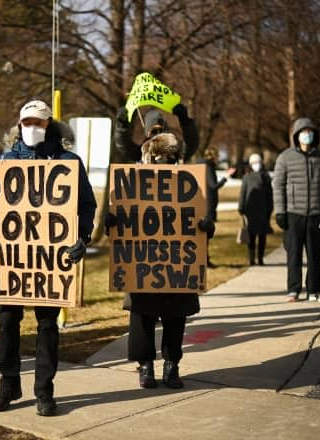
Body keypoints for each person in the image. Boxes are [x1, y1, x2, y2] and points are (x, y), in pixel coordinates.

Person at [0, 99, 96, 416]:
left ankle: (44, 391)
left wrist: (82, 238)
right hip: (10, 259)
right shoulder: (6, 161)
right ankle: (8, 384)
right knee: (7, 322)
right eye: (27, 122)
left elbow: (86, 206)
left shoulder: (69, 163)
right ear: (19, 125)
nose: (32, 128)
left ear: (49, 125)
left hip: (49, 260)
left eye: (38, 122)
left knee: (47, 325)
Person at [108, 103, 215, 389]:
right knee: (142, 318)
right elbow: (122, 145)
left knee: (175, 318)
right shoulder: (135, 176)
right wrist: (113, 221)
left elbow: (199, 214)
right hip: (144, 261)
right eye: (158, 156)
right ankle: (145, 366)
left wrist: (206, 227)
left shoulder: (187, 180)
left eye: (168, 156)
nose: (162, 160)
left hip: (177, 261)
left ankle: (172, 365)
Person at [273, 117, 320, 302]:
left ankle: (314, 291)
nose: (307, 135)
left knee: (314, 255)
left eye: (310, 132)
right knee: (293, 254)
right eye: (303, 132)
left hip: (316, 215)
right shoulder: (285, 158)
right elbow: (277, 186)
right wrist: (280, 211)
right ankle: (293, 290)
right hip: (293, 214)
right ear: (296, 136)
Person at [203, 147, 236, 268]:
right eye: (217, 156)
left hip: (205, 203)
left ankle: (205, 259)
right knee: (207, 233)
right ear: (212, 156)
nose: (218, 159)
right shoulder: (209, 167)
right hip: (208, 204)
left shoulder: (203, 165)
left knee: (205, 233)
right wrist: (226, 177)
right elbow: (213, 185)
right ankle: (205, 260)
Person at [238, 153, 273, 265]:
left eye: (257, 162)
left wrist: (270, 208)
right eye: (253, 163)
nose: (256, 165)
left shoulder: (266, 176)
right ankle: (252, 258)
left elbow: (269, 194)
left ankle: (260, 258)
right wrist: (241, 207)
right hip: (250, 209)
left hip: (263, 210)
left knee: (262, 236)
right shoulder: (247, 177)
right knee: (251, 236)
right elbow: (243, 193)